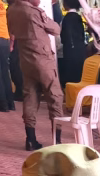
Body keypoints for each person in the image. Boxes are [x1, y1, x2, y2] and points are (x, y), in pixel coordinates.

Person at [8, 0, 63, 150]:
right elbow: (56, 29)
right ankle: (57, 140)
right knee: (55, 97)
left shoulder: (11, 10)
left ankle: (30, 139)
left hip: (26, 61)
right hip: (43, 61)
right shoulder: (34, 12)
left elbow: (12, 32)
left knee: (30, 97)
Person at [59, 0, 88, 85]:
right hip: (80, 47)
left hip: (70, 48)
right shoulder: (78, 17)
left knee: (70, 71)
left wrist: (68, 44)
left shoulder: (67, 18)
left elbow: (66, 34)